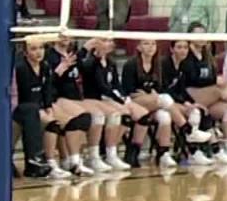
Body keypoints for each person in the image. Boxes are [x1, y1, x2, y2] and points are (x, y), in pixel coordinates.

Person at [182, 23, 227, 164]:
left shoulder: (207, 55)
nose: (202, 37)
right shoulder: (186, 55)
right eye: (197, 34)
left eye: (204, 34)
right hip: (191, 96)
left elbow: (211, 77)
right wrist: (215, 80)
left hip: (209, 97)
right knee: (221, 88)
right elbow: (192, 79)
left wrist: (216, 80)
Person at [14, 37, 72, 180]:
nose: (38, 52)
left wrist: (48, 107)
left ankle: (62, 161)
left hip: (38, 106)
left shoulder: (45, 66)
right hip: (23, 107)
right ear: (25, 52)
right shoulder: (21, 68)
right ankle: (47, 163)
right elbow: (25, 95)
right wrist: (41, 110)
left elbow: (47, 89)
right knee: (49, 122)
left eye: (41, 48)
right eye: (33, 49)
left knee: (57, 120)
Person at [45, 36, 99, 176]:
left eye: (68, 36)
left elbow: (78, 64)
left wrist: (89, 51)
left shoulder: (69, 55)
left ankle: (73, 160)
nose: (66, 39)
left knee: (87, 118)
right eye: (62, 36)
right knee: (76, 119)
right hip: (57, 97)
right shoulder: (50, 56)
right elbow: (50, 80)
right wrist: (60, 69)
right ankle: (65, 161)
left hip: (73, 97)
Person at [78, 38, 134, 171]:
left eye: (109, 42)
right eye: (104, 41)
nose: (107, 44)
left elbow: (116, 84)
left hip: (107, 99)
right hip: (91, 98)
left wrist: (124, 97)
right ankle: (94, 156)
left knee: (123, 114)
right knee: (104, 115)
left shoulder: (111, 63)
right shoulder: (91, 62)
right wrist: (119, 99)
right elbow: (101, 86)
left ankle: (111, 153)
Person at [121, 38, 177, 168]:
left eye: (153, 44)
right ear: (139, 47)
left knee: (165, 116)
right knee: (164, 100)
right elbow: (128, 90)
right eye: (146, 44)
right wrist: (150, 96)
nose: (150, 47)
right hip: (134, 102)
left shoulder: (159, 64)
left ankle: (163, 153)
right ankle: (188, 128)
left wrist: (152, 96)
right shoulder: (131, 64)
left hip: (154, 103)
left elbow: (162, 88)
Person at [161, 38, 214, 165]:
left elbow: (182, 89)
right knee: (178, 110)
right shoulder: (164, 64)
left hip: (174, 100)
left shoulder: (184, 65)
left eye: (185, 47)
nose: (183, 50)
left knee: (195, 110)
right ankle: (190, 134)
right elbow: (163, 89)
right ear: (171, 49)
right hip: (162, 100)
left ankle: (195, 152)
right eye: (179, 47)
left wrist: (189, 102)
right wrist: (183, 102)